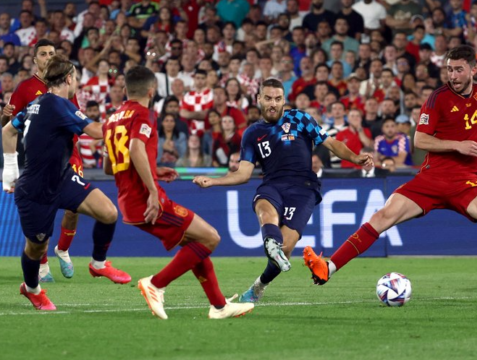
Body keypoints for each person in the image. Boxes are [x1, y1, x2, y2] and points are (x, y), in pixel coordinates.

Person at [302, 44, 477, 301]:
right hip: (431, 178)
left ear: (473, 70)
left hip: (466, 181)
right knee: (383, 216)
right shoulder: (438, 98)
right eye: (449, 69)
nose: (452, 76)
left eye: (458, 69)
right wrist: (458, 145)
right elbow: (420, 139)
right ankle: (329, 268)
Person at [193, 78, 372, 303]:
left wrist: (355, 157)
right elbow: (244, 173)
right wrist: (214, 181)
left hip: (304, 189)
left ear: (284, 100)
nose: (273, 103)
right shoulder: (252, 133)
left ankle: (260, 285)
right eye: (268, 98)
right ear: (258, 99)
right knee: (264, 208)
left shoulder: (300, 118)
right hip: (273, 184)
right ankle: (270, 241)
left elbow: (331, 143)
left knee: (284, 251)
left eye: (278, 99)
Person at [103, 66, 253, 320]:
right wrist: (152, 189)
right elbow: (137, 148)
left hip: (127, 200)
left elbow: (110, 166)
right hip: (147, 199)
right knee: (210, 238)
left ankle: (219, 306)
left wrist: (153, 169)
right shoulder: (144, 114)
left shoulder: (112, 119)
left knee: (195, 243)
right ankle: (156, 284)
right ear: (152, 91)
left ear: (126, 89)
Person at [2, 56, 131, 311]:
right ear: (69, 78)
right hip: (35, 189)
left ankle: (98, 264)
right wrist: (124, 121)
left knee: (108, 213)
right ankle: (32, 289)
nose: (78, 84)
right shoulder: (57, 104)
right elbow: (95, 131)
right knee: (36, 248)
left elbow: (8, 130)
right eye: (77, 79)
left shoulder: (37, 104)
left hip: (61, 178)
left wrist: (9, 168)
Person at [1, 39, 82, 282]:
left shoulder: (66, 81)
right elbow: (9, 125)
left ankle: (64, 249)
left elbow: (76, 115)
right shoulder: (25, 88)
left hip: (69, 152)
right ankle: (43, 265)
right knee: (41, 210)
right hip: (40, 157)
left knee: (74, 206)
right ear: (35, 59)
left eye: (51, 53)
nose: (48, 57)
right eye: (43, 54)